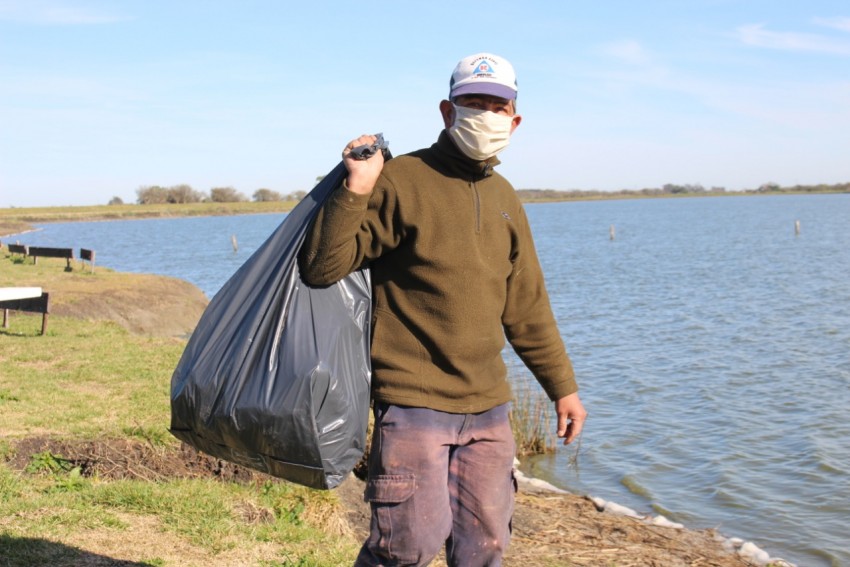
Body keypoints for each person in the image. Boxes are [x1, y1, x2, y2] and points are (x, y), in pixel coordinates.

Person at [299, 52, 587, 567]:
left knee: (486, 547)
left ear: (514, 120)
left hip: (490, 410)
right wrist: (357, 187)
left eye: (496, 105)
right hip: (413, 406)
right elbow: (323, 267)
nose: (485, 114)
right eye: (472, 102)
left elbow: (528, 308)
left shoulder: (506, 199)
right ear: (446, 110)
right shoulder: (402, 178)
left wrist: (562, 388)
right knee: (406, 547)